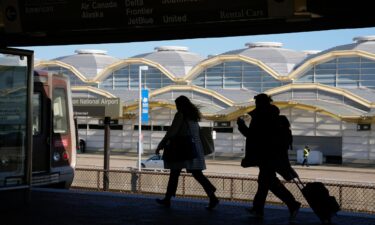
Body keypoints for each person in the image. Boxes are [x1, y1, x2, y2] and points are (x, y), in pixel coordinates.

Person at [237, 93, 301, 222]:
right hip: (273, 156)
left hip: (266, 156)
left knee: (267, 182)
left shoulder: (261, 116)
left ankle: (292, 204)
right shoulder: (274, 115)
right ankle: (258, 209)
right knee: (265, 183)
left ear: (260, 103)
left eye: (256, 102)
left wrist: (241, 125)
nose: (255, 104)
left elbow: (252, 136)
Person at [155, 95, 219, 209]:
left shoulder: (180, 114)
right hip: (194, 149)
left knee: (174, 174)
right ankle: (212, 197)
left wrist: (161, 145)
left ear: (181, 105)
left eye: (177, 105)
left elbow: (172, 132)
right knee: (197, 174)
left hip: (182, 149)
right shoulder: (193, 116)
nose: (176, 107)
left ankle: (167, 199)